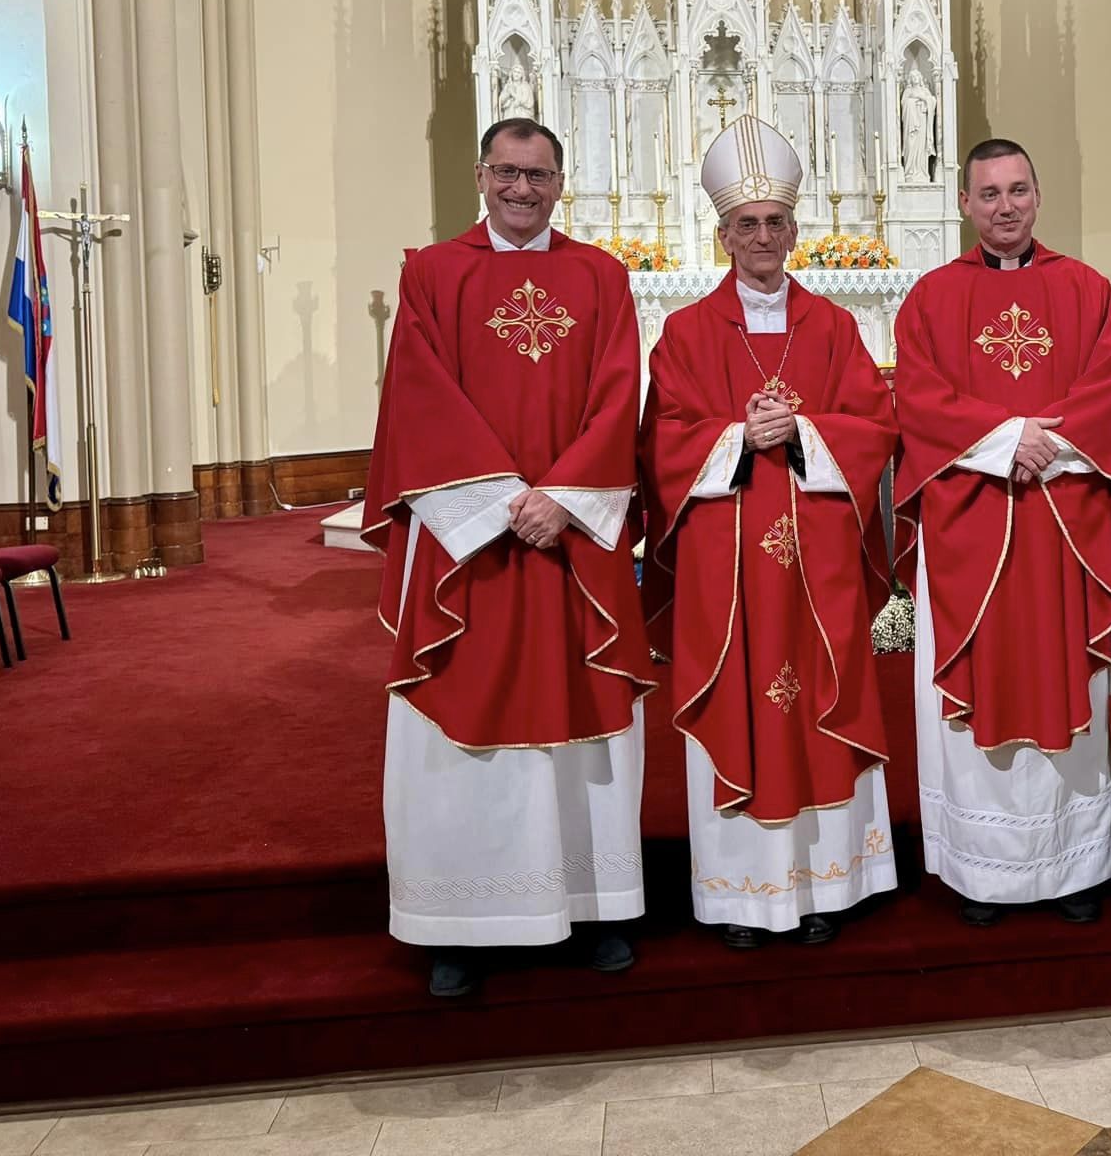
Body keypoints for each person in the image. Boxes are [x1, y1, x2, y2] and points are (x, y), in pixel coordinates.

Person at [363, 118, 656, 998]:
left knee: (585, 709)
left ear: (562, 181)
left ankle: (594, 905)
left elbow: (618, 395)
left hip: (569, 536)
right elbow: (419, 397)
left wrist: (561, 498)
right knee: (464, 714)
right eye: (506, 173)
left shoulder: (601, 276)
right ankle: (459, 921)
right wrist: (499, 505)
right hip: (472, 548)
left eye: (538, 176)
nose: (521, 190)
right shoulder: (433, 272)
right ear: (480, 174)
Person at [641, 121, 899, 949]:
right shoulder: (684, 333)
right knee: (742, 702)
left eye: (775, 223)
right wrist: (734, 438)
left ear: (795, 232)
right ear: (721, 234)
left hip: (816, 566)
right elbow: (663, 441)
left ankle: (827, 885)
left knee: (815, 700)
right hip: (730, 572)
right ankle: (742, 894)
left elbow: (875, 424)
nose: (761, 238)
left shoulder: (831, 327)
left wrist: (802, 433)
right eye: (745, 224)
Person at [892, 138, 1111, 926]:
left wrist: (1042, 446)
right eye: (989, 193)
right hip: (972, 523)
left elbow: (1108, 387)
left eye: (1018, 190)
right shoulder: (930, 298)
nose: (1005, 206)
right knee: (980, 685)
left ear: (1038, 195)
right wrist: (1007, 440)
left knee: (1067, 681)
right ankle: (981, 872)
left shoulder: (1087, 288)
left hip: (1062, 520)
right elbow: (918, 401)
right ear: (966, 204)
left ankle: (1074, 869)